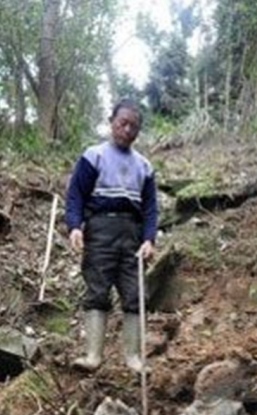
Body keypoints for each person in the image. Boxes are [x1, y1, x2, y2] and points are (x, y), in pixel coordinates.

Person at [64, 99, 158, 373]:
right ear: (111, 123)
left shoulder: (144, 166)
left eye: (134, 126)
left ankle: (133, 358)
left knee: (134, 293)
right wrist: (75, 226)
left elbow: (151, 208)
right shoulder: (94, 156)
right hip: (99, 231)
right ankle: (93, 355)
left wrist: (149, 238)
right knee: (97, 289)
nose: (127, 130)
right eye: (122, 123)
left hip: (132, 233)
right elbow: (75, 196)